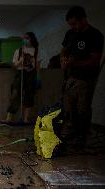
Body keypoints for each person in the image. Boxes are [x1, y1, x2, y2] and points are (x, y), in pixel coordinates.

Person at [60, 6, 104, 148]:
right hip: (71, 77)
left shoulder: (95, 35)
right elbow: (64, 50)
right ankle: (72, 134)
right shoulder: (70, 33)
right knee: (69, 107)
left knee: (82, 109)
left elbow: (95, 59)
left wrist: (75, 62)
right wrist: (63, 61)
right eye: (71, 25)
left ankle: (82, 136)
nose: (73, 27)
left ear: (84, 19)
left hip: (86, 78)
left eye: (75, 23)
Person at [1, 32, 41, 124]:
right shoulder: (18, 51)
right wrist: (21, 61)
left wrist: (38, 77)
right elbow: (14, 65)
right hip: (20, 74)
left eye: (27, 38)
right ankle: (9, 118)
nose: (25, 40)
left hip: (31, 75)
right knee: (15, 95)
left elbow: (37, 65)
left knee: (29, 96)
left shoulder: (36, 51)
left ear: (32, 39)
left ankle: (26, 119)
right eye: (24, 38)